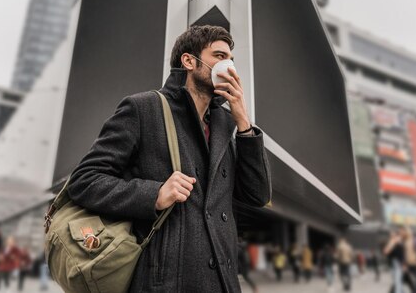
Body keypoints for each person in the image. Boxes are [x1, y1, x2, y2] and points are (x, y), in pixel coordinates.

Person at [66, 25, 272, 292]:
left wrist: (243, 122)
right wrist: (154, 194)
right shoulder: (144, 108)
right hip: (164, 283)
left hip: (222, 283)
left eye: (231, 60)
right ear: (189, 61)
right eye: (220, 56)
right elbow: (84, 181)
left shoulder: (225, 124)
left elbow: (257, 194)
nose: (229, 65)